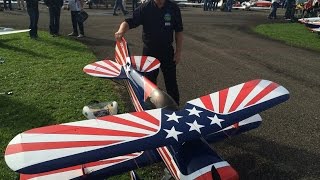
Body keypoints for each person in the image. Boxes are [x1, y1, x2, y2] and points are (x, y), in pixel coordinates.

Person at [114, 0, 183, 105]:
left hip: (167, 51)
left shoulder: (173, 8)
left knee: (171, 83)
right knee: (149, 83)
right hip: (150, 52)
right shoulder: (145, 8)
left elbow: (179, 31)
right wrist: (120, 31)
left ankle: (176, 108)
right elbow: (129, 21)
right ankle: (151, 108)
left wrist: (178, 52)